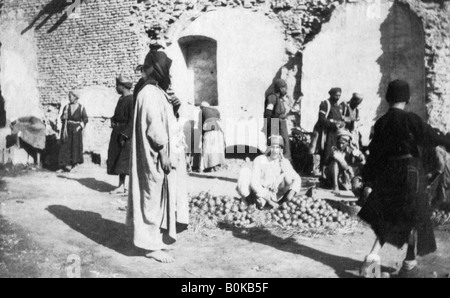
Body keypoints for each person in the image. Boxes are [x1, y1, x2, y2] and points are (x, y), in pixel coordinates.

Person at [358, 80, 450, 278]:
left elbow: (374, 154)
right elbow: (433, 138)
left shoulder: (381, 123)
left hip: (389, 173)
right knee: (415, 217)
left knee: (390, 216)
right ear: (408, 99)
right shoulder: (410, 119)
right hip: (411, 173)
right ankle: (408, 265)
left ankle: (372, 261)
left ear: (387, 98)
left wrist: (367, 179)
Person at [127, 49, 188, 264]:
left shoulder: (155, 91)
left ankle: (154, 241)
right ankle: (149, 246)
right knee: (151, 197)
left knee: (156, 196)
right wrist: (163, 154)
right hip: (153, 154)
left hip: (156, 154)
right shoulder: (150, 93)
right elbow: (155, 128)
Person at [236, 135, 301, 209]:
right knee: (245, 171)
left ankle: (281, 204)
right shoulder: (260, 160)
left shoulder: (284, 162)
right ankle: (250, 202)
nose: (274, 150)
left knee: (288, 176)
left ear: (281, 150)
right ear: (268, 148)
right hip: (261, 196)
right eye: (272, 147)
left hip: (277, 197)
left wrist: (291, 193)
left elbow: (297, 178)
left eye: (277, 147)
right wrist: (269, 201)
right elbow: (254, 183)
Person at [107, 75, 134, 195]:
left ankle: (127, 187)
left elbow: (132, 120)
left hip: (125, 134)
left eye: (117, 85)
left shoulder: (131, 99)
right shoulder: (121, 99)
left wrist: (125, 134)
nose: (116, 87)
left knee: (125, 161)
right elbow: (117, 114)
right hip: (117, 132)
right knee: (118, 159)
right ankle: (121, 185)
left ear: (123, 86)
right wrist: (113, 120)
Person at [309, 88, 345, 177]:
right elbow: (321, 119)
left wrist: (340, 123)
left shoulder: (339, 106)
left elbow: (340, 119)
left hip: (334, 133)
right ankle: (322, 172)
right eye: (336, 95)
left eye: (339, 95)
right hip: (325, 132)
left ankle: (330, 173)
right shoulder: (325, 104)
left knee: (332, 152)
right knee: (325, 151)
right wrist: (332, 123)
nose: (338, 97)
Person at [324, 129, 365, 194]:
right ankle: (335, 186)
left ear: (347, 143)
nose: (340, 145)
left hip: (346, 176)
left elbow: (359, 154)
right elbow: (343, 163)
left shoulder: (351, 149)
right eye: (339, 143)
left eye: (343, 143)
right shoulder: (335, 150)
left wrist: (361, 156)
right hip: (334, 174)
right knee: (335, 163)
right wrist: (349, 168)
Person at [58, 90, 88, 172]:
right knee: (65, 147)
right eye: (69, 97)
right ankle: (63, 166)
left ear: (75, 97)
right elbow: (61, 118)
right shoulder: (66, 107)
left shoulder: (81, 108)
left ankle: (74, 165)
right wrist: (63, 116)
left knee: (75, 147)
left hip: (76, 130)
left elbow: (85, 119)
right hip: (66, 129)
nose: (69, 98)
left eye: (70, 97)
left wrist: (79, 127)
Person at [264, 79, 291, 161]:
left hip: (281, 125)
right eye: (284, 88)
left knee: (284, 146)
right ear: (280, 88)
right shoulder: (272, 98)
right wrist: (270, 127)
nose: (285, 90)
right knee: (275, 146)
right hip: (275, 125)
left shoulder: (280, 99)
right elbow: (268, 113)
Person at [199, 102, 225, 172]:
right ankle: (216, 166)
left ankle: (208, 167)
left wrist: (201, 135)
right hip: (218, 132)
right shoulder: (216, 110)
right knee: (216, 149)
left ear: (202, 107)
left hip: (209, 132)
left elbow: (201, 124)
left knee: (208, 149)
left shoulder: (202, 111)